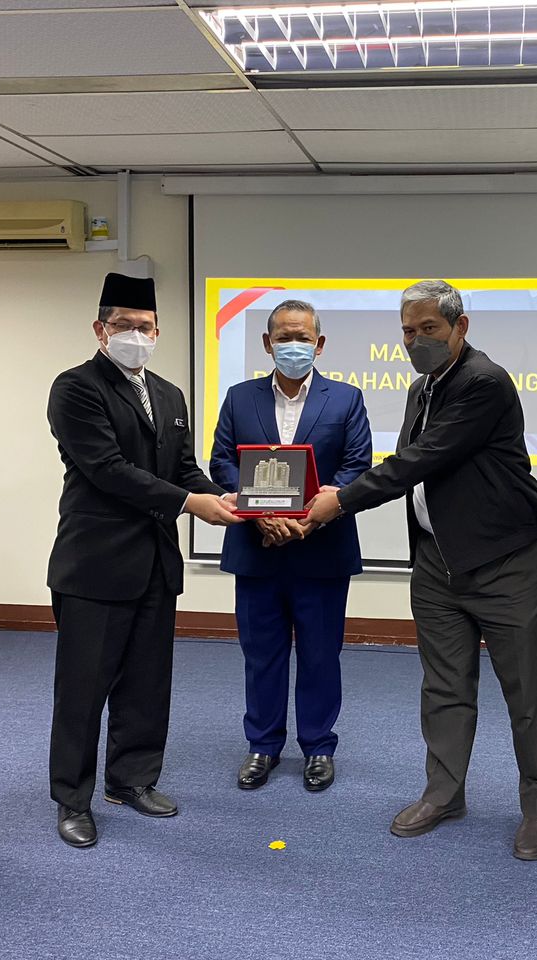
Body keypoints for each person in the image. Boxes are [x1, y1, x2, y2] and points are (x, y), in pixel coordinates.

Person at [305, 280, 537, 861]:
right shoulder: (421, 388)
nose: (416, 340)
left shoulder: (484, 381)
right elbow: (411, 465)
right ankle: (444, 794)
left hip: (504, 562)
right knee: (444, 686)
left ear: (460, 327)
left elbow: (421, 460)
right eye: (408, 331)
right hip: (436, 562)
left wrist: (340, 501)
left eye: (429, 329)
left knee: (526, 691)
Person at [46, 272, 241, 848]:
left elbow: (181, 468)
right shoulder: (75, 387)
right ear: (100, 329)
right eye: (124, 325)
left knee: (147, 682)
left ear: (158, 331)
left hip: (155, 562)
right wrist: (191, 504)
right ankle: (72, 799)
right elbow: (107, 470)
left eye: (146, 326)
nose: (136, 334)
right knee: (83, 690)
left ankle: (131, 779)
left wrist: (225, 497)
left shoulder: (169, 394)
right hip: (95, 564)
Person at [209, 299, 372, 792]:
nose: (293, 346)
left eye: (302, 338)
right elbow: (222, 462)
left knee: (321, 655)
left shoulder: (346, 398)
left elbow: (356, 466)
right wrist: (261, 514)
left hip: (321, 550)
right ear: (267, 343)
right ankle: (262, 745)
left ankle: (319, 747)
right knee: (261, 654)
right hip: (257, 547)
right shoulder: (239, 397)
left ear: (319, 344)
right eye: (284, 337)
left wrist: (308, 519)